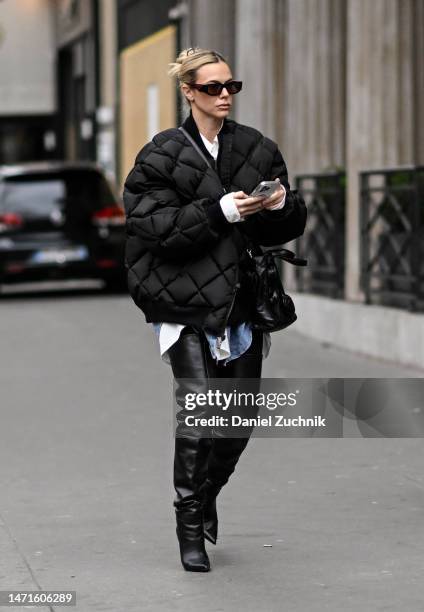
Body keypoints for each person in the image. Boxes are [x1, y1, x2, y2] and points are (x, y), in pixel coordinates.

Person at [123, 47, 307, 572]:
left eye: (232, 86)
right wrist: (220, 210)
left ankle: (206, 497)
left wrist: (278, 206)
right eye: (213, 87)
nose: (225, 95)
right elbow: (152, 225)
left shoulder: (255, 147)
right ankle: (188, 526)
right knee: (201, 411)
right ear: (189, 92)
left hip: (241, 303)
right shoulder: (160, 154)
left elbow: (287, 223)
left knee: (238, 419)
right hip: (184, 304)